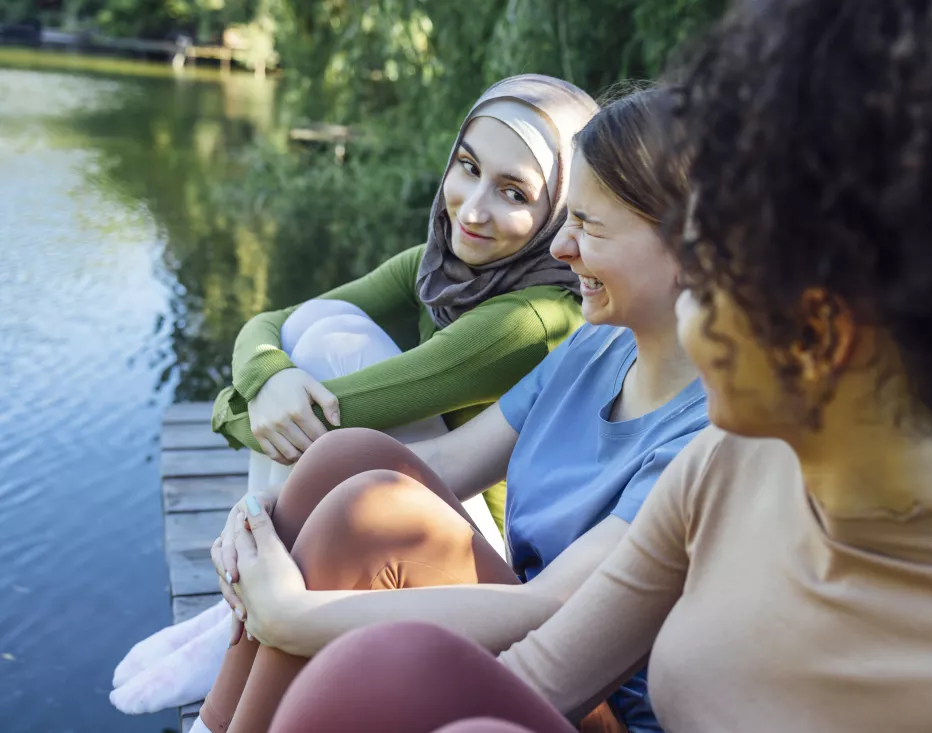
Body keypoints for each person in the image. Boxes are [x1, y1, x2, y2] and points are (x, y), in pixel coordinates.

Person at [264, 0, 932, 731]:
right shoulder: (724, 466)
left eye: (711, 262)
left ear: (824, 326)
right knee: (384, 668)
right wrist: (308, 618)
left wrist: (305, 618)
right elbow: (534, 672)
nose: (686, 298)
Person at [194, 88, 707, 733]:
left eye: (590, 227)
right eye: (567, 219)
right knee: (350, 460)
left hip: (584, 698)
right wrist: (266, 515)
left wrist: (296, 617)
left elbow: (562, 607)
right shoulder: (597, 345)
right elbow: (448, 463)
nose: (560, 248)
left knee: (368, 534)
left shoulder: (710, 433)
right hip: (518, 627)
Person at [109, 73, 597, 714]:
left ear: (559, 211)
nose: (473, 208)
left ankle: (253, 606)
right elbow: (274, 322)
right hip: (434, 493)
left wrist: (240, 406)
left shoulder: (533, 317)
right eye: (467, 168)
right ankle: (251, 597)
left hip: (477, 557)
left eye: (513, 193)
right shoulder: (441, 267)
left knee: (329, 357)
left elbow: (339, 417)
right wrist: (264, 379)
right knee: (315, 327)